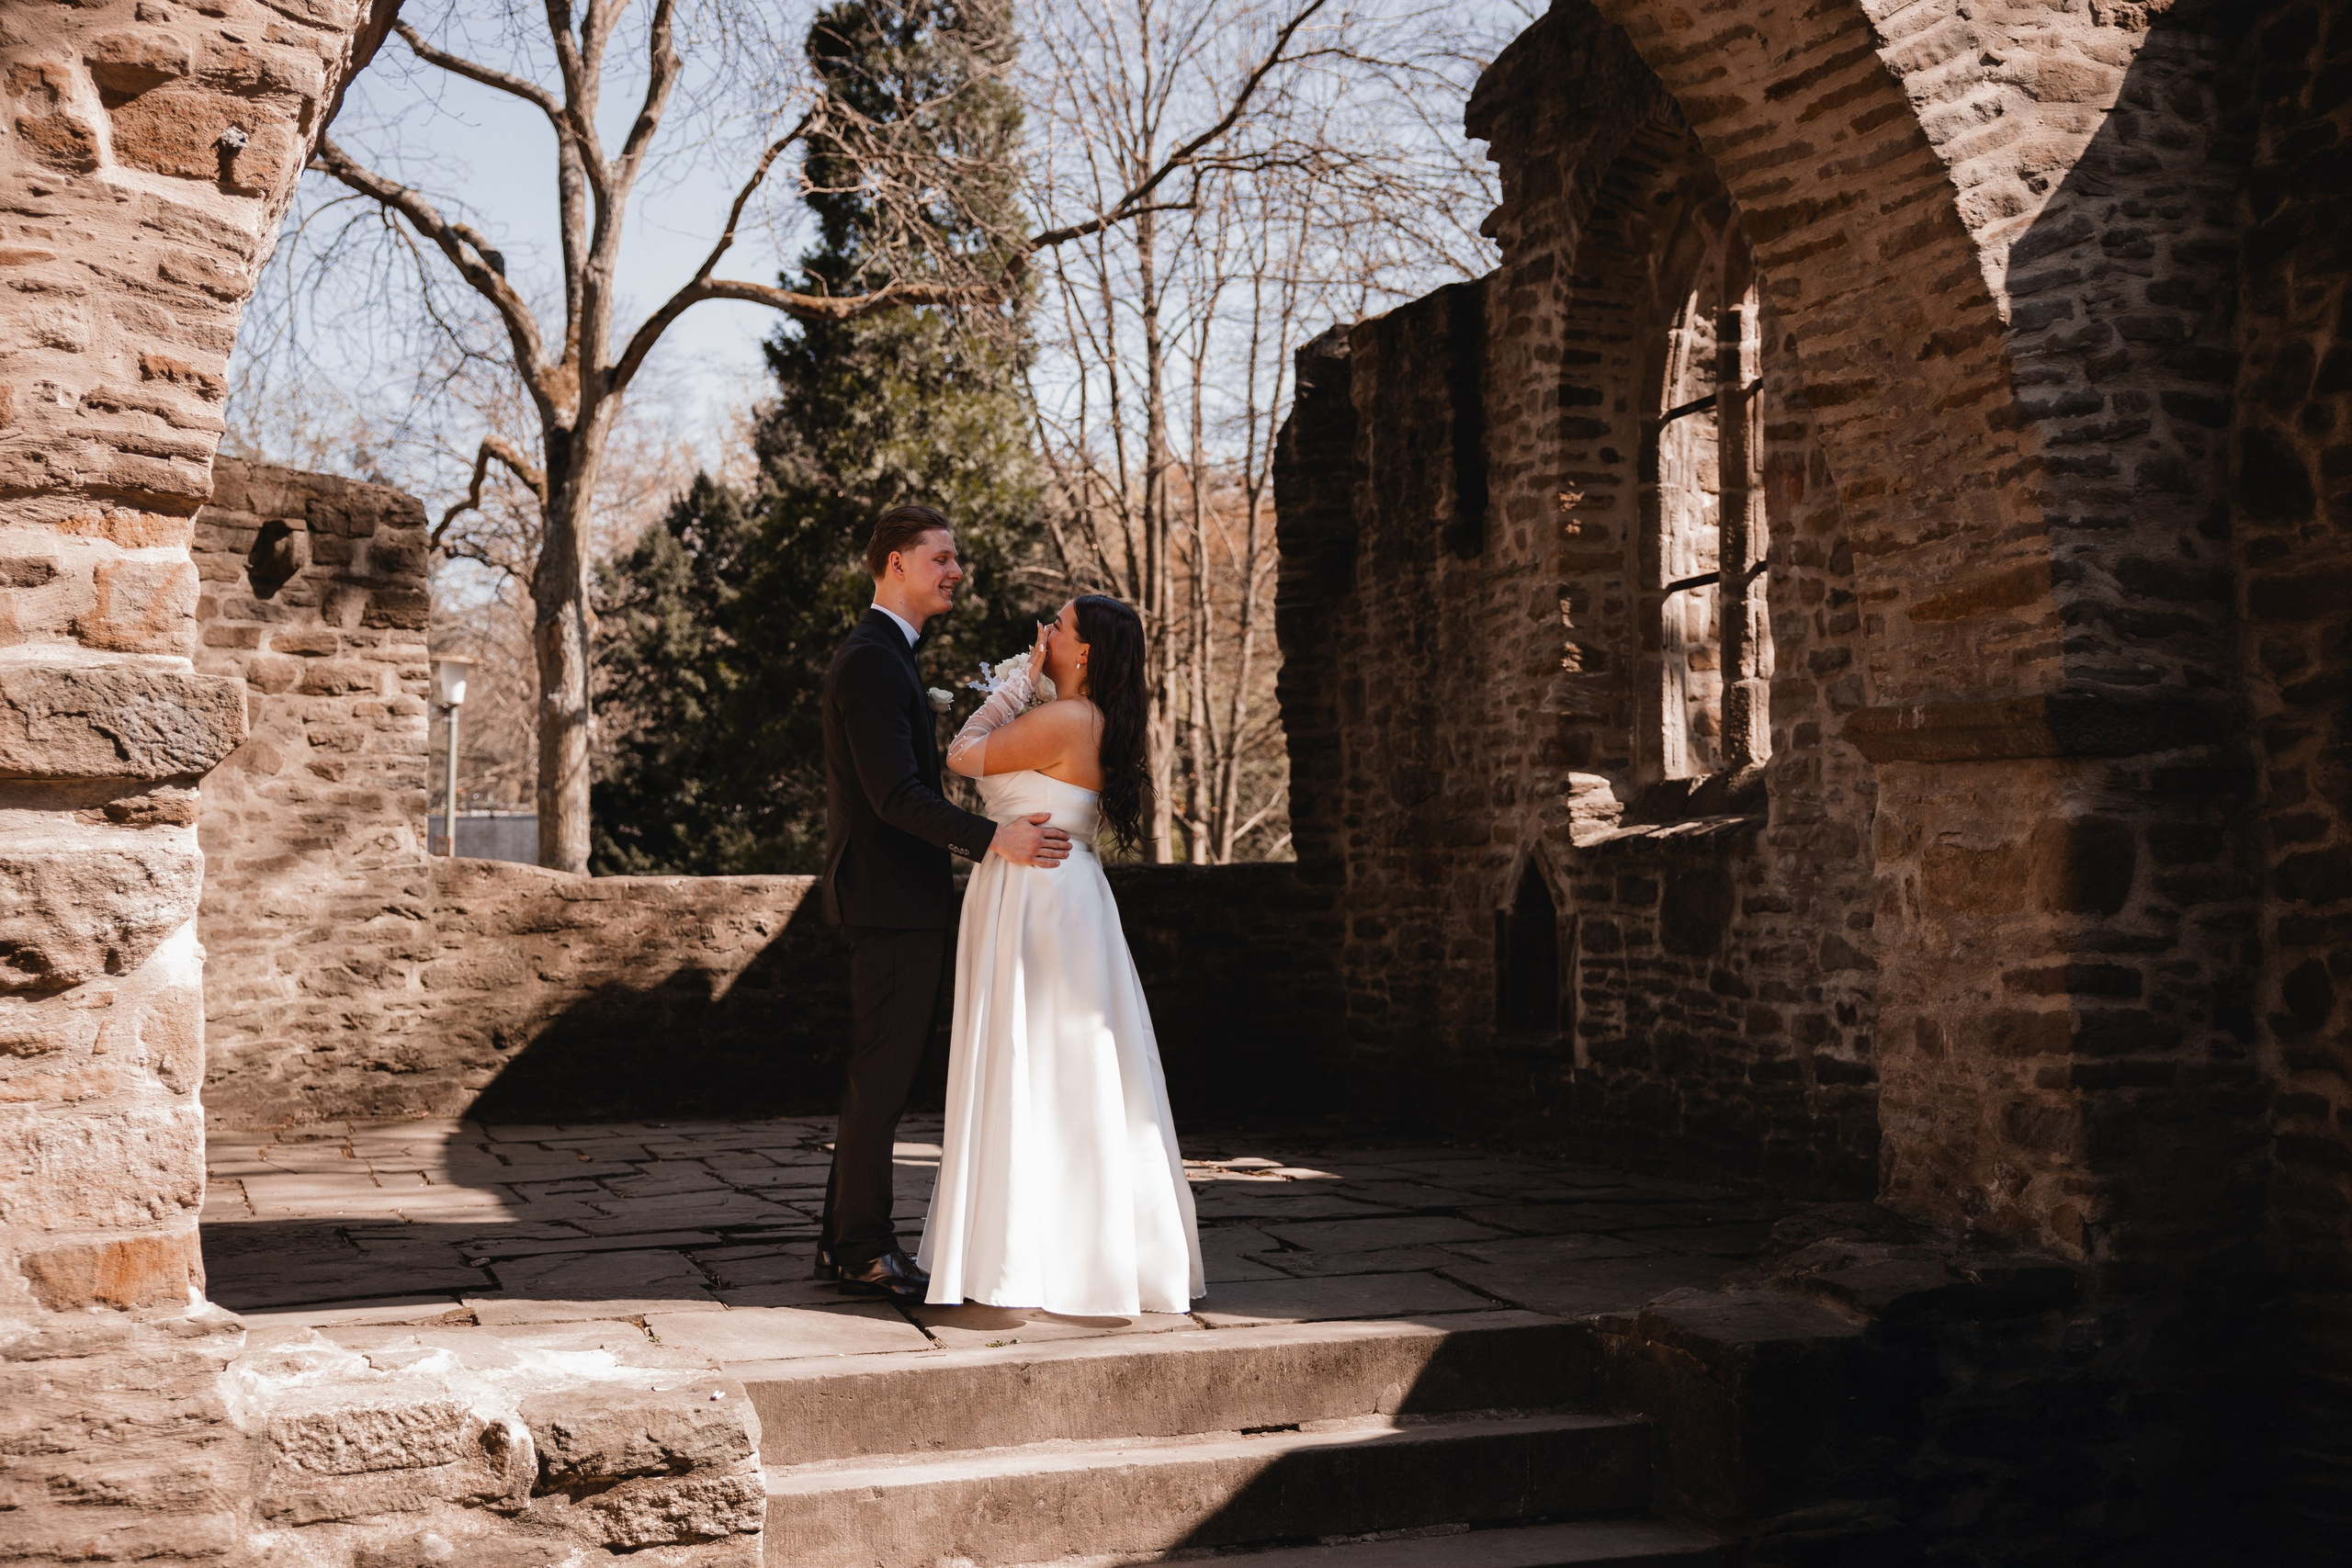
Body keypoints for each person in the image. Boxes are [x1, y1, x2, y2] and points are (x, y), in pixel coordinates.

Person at [918, 593, 1204, 1315]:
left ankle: (1035, 1257)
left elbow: (959, 755)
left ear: (1082, 652)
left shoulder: (1067, 717)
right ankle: (1079, 1251)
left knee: (1034, 1059)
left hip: (1036, 897)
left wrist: (1017, 680)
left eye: (1060, 626)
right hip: (1062, 890)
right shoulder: (1091, 717)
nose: (1045, 632)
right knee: (1072, 1067)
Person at [816, 504, 1070, 1300]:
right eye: (942, 557)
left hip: (900, 900)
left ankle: (841, 1243)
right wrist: (998, 837)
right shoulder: (871, 661)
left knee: (883, 1076)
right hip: (888, 902)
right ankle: (861, 1247)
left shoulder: (890, 656)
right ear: (895, 562)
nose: (957, 569)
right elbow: (895, 795)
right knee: (882, 1080)